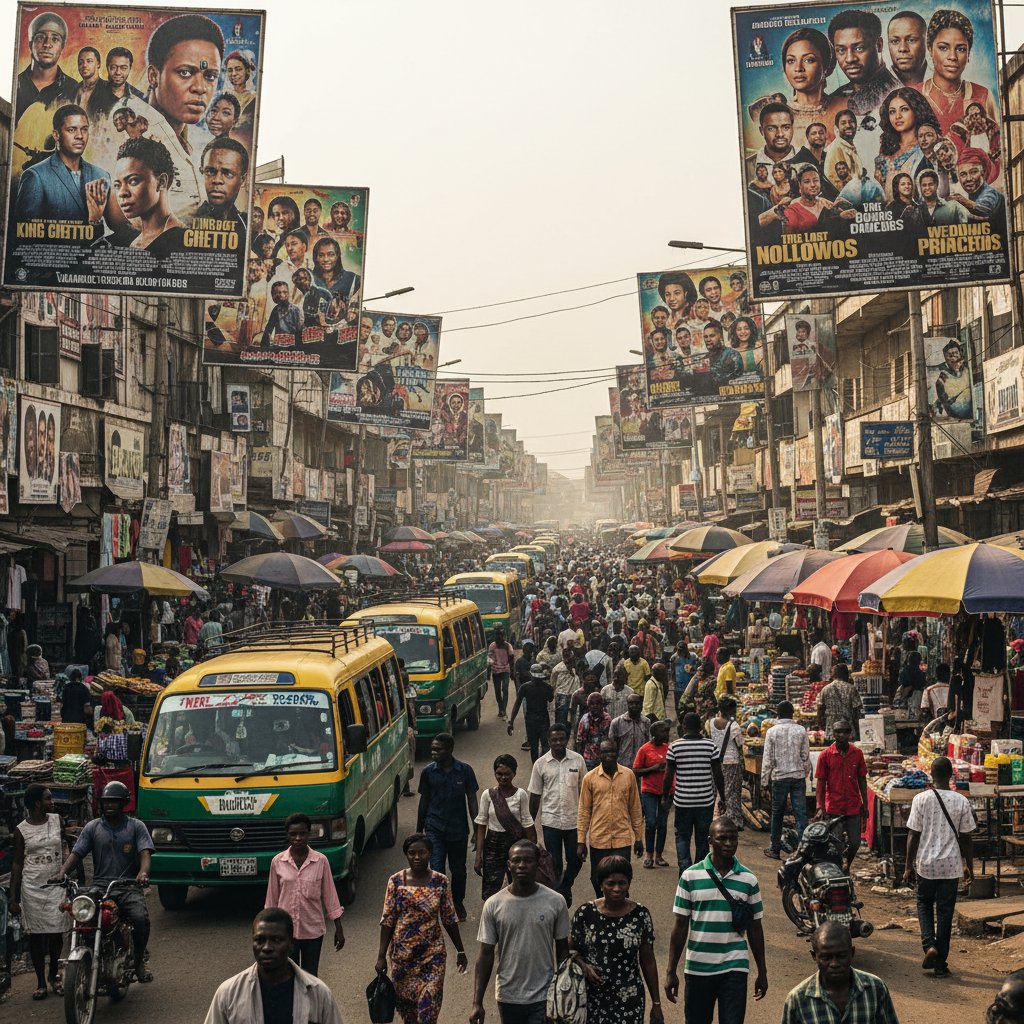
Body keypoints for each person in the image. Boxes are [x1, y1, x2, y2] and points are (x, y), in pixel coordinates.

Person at [664, 818, 768, 1024]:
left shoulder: (749, 879)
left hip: (735, 967)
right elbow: (680, 926)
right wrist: (671, 971)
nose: (729, 843)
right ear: (710, 840)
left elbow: (755, 928)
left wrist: (762, 972)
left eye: (733, 838)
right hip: (698, 968)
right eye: (722, 838)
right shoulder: (690, 877)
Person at [56, 780, 154, 983]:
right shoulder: (92, 827)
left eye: (114, 802)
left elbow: (145, 853)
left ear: (123, 803)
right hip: (100, 886)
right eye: (106, 802)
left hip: (127, 886)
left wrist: (143, 873)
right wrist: (62, 872)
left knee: (140, 919)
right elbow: (77, 854)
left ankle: (138, 962)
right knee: (78, 916)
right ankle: (68, 963)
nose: (109, 805)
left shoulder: (136, 827)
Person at [471, 839, 570, 1024]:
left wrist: (563, 992)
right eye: (516, 861)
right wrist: (477, 1002)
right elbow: (485, 955)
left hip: (544, 994)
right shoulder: (494, 904)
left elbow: (562, 950)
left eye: (528, 860)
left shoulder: (556, 902)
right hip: (508, 995)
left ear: (538, 863)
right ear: (509, 865)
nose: (522, 865)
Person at [376, 833, 467, 1024]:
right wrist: (381, 956)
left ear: (430, 854)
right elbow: (388, 920)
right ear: (406, 855)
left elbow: (449, 918)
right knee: (409, 1014)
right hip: (403, 957)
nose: (417, 857)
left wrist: (460, 950)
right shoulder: (396, 881)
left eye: (422, 853)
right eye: (412, 853)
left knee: (428, 1012)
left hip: (432, 956)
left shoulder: (440, 881)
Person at [203, 908, 342, 1024]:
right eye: (260, 940)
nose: (267, 947)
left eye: (276, 940)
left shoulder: (319, 995)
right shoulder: (228, 994)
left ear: (291, 944)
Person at [904, 756, 975, 978]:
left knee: (924, 903)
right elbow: (967, 838)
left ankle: (929, 946)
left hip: (926, 864)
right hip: (951, 865)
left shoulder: (920, 799)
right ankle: (940, 963)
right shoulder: (961, 801)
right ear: (951, 775)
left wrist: (908, 866)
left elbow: (913, 835)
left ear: (931, 775)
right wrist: (969, 866)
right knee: (945, 912)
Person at [569, 855, 662, 1024]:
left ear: (629, 884)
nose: (617, 888)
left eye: (622, 883)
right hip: (591, 998)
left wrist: (656, 1003)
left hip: (630, 999)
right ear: (601, 885)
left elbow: (648, 960)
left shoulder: (641, 915)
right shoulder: (585, 913)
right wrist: (585, 967)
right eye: (610, 883)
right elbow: (569, 951)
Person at [264, 812, 344, 977]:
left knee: (310, 977)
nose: (298, 838)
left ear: (309, 834)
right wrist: (268, 932)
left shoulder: (321, 861)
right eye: (293, 834)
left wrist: (339, 928)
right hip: (286, 932)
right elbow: (271, 900)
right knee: (287, 975)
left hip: (313, 931)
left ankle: (309, 1003)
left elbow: (330, 895)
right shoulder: (277, 862)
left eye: (302, 833)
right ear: (288, 835)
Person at [11, 784, 67, 999]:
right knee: (36, 936)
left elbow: (64, 847)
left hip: (56, 885)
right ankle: (41, 983)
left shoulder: (57, 820)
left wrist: (66, 872)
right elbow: (17, 864)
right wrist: (14, 898)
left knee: (56, 933)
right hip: (32, 888)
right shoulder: (21, 830)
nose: (51, 802)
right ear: (37, 803)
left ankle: (54, 975)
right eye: (48, 798)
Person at [781, 921, 897, 1024]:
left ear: (852, 953)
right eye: (826, 958)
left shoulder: (875, 988)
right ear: (814, 956)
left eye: (841, 956)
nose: (834, 964)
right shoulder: (797, 999)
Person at [14, 104, 110, 227]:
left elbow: (121, 231)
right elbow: (23, 234)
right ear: (56, 135)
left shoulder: (101, 175)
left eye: (84, 129)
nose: (80, 136)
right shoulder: (35, 176)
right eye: (71, 130)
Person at [417, 732, 479, 922]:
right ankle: (441, 905)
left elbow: (472, 801)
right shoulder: (428, 772)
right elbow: (424, 801)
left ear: (450, 749)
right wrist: (419, 831)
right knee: (436, 868)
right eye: (433, 749)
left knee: (458, 870)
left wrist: (477, 830)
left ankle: (457, 902)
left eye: (438, 749)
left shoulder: (465, 771)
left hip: (458, 829)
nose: (434, 753)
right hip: (434, 827)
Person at [577, 739, 644, 899]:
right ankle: (602, 910)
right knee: (597, 878)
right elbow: (584, 811)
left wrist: (639, 838)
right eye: (605, 752)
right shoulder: (589, 778)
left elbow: (635, 809)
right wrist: (581, 841)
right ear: (599, 754)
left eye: (612, 751)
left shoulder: (628, 776)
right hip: (599, 839)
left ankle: (622, 914)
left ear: (617, 753)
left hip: (622, 840)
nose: (609, 755)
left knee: (621, 880)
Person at [528, 723, 586, 905]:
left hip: (574, 821)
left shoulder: (578, 760)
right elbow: (535, 795)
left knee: (576, 859)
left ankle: (565, 886)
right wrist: (529, 826)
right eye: (554, 740)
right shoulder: (540, 764)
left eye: (561, 739)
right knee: (555, 864)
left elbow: (585, 792)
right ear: (549, 741)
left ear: (567, 739)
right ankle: (558, 899)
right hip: (551, 821)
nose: (558, 743)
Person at [921, 8, 998, 134]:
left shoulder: (982, 96)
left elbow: (997, 146)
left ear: (968, 54)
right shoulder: (913, 95)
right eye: (943, 48)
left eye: (961, 49)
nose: (952, 56)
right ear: (930, 49)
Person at [666, 712, 725, 874]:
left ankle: (685, 870)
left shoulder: (675, 747)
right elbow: (718, 774)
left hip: (683, 801)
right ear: (700, 727)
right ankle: (700, 872)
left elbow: (668, 775)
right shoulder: (710, 746)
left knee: (683, 837)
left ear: (683, 727)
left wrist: (665, 797)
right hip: (705, 801)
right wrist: (722, 797)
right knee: (703, 838)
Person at [475, 755, 537, 900]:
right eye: (499, 774)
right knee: (491, 889)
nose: (503, 777)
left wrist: (534, 851)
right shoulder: (488, 795)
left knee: (519, 885)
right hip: (492, 845)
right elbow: (482, 825)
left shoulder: (521, 794)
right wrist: (478, 856)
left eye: (507, 774)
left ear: (514, 774)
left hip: (516, 845)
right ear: (495, 774)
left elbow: (528, 823)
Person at [112, 136, 187, 255]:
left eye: (133, 181)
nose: (122, 192)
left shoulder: (182, 240)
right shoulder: (134, 239)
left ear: (161, 181)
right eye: (117, 185)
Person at [814, 718, 868, 870]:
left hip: (853, 806)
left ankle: (847, 865)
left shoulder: (857, 754)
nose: (841, 735)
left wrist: (865, 803)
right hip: (834, 806)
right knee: (836, 842)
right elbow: (821, 782)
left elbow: (862, 779)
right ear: (833, 734)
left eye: (845, 732)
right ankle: (837, 869)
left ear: (850, 734)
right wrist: (820, 806)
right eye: (838, 732)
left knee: (855, 842)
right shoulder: (825, 755)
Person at [761, 701, 810, 860]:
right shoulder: (801, 730)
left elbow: (767, 760)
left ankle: (774, 848)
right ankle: (804, 850)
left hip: (779, 777)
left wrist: (764, 782)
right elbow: (805, 757)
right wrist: (805, 773)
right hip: (797, 777)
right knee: (800, 813)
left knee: (777, 813)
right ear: (792, 714)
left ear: (778, 714)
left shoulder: (772, 732)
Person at [15, 12, 76, 123]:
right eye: (40, 37)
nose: (47, 44)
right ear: (30, 44)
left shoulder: (74, 90)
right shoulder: (15, 85)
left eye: (55, 39)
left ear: (62, 47)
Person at [634, 720, 673, 869]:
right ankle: (649, 855)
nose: (666, 734)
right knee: (651, 823)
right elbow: (636, 771)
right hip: (649, 791)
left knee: (662, 824)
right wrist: (654, 768)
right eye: (663, 731)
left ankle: (659, 856)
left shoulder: (669, 749)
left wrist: (671, 792)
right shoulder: (644, 749)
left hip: (665, 791)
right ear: (654, 733)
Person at [508, 662, 554, 762]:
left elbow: (517, 705)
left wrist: (511, 721)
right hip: (543, 719)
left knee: (534, 747)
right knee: (545, 745)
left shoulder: (524, 687)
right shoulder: (547, 687)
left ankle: (536, 768)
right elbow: (550, 699)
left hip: (531, 720)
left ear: (531, 674)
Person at [710, 697, 744, 830]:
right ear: (732, 710)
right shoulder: (734, 725)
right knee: (732, 791)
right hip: (732, 761)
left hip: (716, 760)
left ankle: (717, 817)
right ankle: (732, 820)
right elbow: (740, 745)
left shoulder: (711, 722)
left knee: (718, 789)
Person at [816, 663, 864, 740]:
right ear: (846, 674)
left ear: (833, 675)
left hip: (831, 730)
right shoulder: (851, 689)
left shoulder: (825, 689)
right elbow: (857, 712)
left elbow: (820, 708)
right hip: (848, 731)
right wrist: (858, 730)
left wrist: (821, 725)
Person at [609, 692, 650, 770]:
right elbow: (612, 746)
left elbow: (649, 744)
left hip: (641, 766)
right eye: (631, 703)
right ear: (627, 705)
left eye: (637, 703)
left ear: (641, 705)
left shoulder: (646, 722)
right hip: (622, 766)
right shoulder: (616, 723)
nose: (634, 706)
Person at [576, 692, 613, 770]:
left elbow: (610, 740)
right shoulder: (585, 719)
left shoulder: (608, 719)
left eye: (598, 703)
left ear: (602, 705)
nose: (595, 706)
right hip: (588, 758)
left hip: (603, 759)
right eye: (592, 704)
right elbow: (580, 741)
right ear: (588, 706)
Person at [488, 627, 515, 719]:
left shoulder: (508, 646)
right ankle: (501, 708)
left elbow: (511, 660)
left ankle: (504, 709)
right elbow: (489, 659)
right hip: (495, 671)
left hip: (505, 670)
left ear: (503, 637)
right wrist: (488, 672)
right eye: (497, 635)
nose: (498, 637)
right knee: (497, 691)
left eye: (500, 635)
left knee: (505, 689)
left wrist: (512, 672)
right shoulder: (492, 646)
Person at [551, 646, 579, 729]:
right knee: (561, 719)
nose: (568, 659)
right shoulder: (558, 669)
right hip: (562, 695)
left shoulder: (575, 668)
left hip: (573, 695)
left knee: (573, 718)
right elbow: (553, 683)